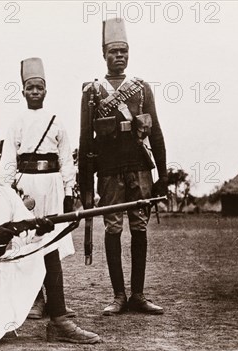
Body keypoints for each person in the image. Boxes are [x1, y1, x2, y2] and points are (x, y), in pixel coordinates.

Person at [0, 120, 100, 348]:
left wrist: (39, 232)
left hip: (3, 272)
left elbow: (25, 237)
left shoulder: (6, 194)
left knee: (48, 245)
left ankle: (59, 321)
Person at [78, 18, 167, 316]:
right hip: (108, 170)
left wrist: (163, 175)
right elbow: (85, 140)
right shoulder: (92, 91)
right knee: (113, 228)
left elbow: (155, 133)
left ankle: (139, 295)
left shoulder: (141, 89)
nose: (120, 56)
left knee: (139, 228)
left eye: (124, 51)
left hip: (140, 167)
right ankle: (118, 296)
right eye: (114, 51)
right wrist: (86, 187)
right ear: (104, 54)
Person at [0, 57, 76, 319]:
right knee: (28, 242)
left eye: (39, 88)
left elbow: (66, 159)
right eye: (29, 88)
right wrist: (6, 190)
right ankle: (34, 300)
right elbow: (8, 159)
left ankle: (57, 302)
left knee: (50, 242)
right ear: (23, 91)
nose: (34, 92)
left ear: (45, 91)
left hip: (52, 185)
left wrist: (68, 192)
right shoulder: (17, 122)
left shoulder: (56, 121)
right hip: (26, 186)